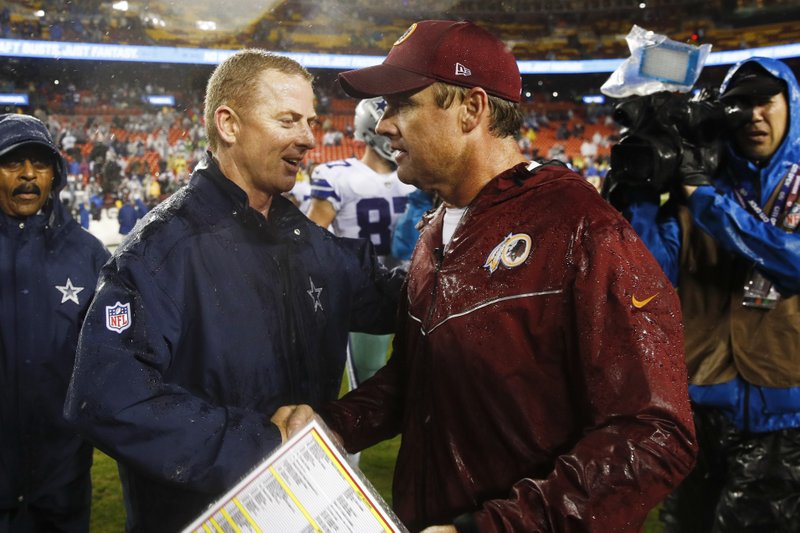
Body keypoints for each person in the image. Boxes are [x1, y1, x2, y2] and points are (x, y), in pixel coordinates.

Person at [274, 20, 697, 532]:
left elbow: (655, 433)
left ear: (471, 109)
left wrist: (492, 527)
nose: (383, 125)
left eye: (401, 103)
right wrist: (334, 427)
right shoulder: (434, 228)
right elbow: (419, 379)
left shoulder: (582, 227)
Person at [63, 49, 403, 533]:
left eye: (310, 121)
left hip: (301, 509)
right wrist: (263, 442)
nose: (309, 138)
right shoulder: (162, 249)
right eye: (288, 120)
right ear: (228, 123)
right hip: (201, 518)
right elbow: (104, 396)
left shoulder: (302, 237)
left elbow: (395, 299)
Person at [610, 57, 800, 532]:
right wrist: (637, 194)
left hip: (782, 415)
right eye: (739, 104)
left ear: (791, 106)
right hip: (698, 410)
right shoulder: (696, 186)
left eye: (764, 101)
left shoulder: (712, 193)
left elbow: (794, 261)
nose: (753, 115)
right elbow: (650, 276)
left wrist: (703, 198)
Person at [0, 113, 110, 532]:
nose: (28, 175)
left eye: (40, 164)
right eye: (13, 162)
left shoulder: (88, 254)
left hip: (62, 479)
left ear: (56, 174)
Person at [307, 97, 417, 384]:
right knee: (369, 378)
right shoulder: (339, 176)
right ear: (371, 130)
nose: (397, 136)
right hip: (366, 290)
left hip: (414, 284)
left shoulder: (416, 174)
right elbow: (311, 237)